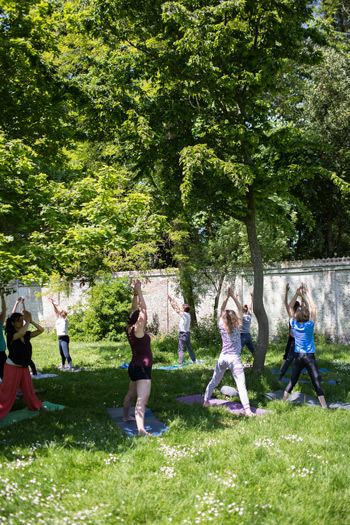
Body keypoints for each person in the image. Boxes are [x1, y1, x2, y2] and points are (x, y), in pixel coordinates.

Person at [203, 286, 254, 417]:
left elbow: (221, 309)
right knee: (241, 385)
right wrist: (233, 297)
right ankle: (247, 410)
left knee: (214, 381)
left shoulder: (221, 325)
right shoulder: (238, 326)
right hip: (234, 359)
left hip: (222, 358)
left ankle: (205, 401)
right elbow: (241, 311)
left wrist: (227, 296)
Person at [283, 284, 327, 408]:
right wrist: (307, 293)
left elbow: (290, 307)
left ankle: (282, 402)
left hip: (298, 357)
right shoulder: (309, 326)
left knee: (292, 381)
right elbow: (313, 308)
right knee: (316, 382)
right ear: (306, 316)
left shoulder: (293, 324)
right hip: (309, 357)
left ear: (296, 315)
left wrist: (297, 294)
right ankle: (324, 406)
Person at [0, 309, 48, 419]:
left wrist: (31, 321)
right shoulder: (11, 335)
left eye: (22, 320)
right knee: (6, 391)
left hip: (24, 367)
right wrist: (27, 322)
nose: (21, 323)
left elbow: (41, 330)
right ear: (12, 323)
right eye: (19, 321)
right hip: (12, 367)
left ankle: (38, 406)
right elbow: (20, 333)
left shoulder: (26, 335)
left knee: (29, 390)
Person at [123, 280, 153, 436]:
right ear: (139, 320)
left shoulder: (130, 328)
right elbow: (143, 309)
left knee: (130, 394)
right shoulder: (138, 330)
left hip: (134, 367)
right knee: (142, 399)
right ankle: (141, 429)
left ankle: (125, 416)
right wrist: (140, 291)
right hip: (142, 369)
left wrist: (135, 294)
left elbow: (134, 309)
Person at [278, 284, 300, 381]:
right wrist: (302, 294)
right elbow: (288, 304)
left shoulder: (292, 315)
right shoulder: (298, 315)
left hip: (292, 338)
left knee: (287, 356)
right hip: (296, 338)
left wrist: (286, 291)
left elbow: (286, 303)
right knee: (299, 356)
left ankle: (281, 372)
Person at [168, 295, 196, 367]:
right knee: (189, 348)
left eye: (182, 308)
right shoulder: (188, 315)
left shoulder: (183, 314)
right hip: (187, 334)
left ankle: (180, 364)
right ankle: (194, 361)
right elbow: (178, 307)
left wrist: (171, 301)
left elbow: (175, 308)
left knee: (181, 349)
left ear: (183, 310)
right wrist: (173, 301)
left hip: (182, 334)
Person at [12, 297, 37, 376]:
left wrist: (22, 303)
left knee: (27, 356)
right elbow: (13, 313)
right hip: (17, 337)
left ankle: (34, 373)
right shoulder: (15, 321)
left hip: (23, 336)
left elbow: (24, 312)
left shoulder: (22, 320)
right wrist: (17, 303)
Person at [50, 298, 73, 370]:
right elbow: (56, 311)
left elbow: (61, 311)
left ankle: (70, 366)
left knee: (66, 353)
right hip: (59, 338)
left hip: (64, 338)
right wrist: (53, 305)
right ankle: (63, 365)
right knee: (61, 353)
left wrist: (57, 304)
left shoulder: (65, 319)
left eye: (61, 313)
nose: (59, 314)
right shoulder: (59, 319)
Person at [240, 291, 255, 357]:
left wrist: (236, 297)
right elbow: (250, 307)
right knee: (253, 351)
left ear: (242, 311)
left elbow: (238, 307)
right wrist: (252, 297)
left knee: (238, 350)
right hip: (248, 336)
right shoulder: (249, 316)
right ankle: (258, 361)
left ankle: (235, 362)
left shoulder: (242, 317)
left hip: (242, 336)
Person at [0, 291, 6, 379]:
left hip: (1, 352)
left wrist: (2, 297)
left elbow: (4, 310)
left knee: (4, 373)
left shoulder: (0, 323)